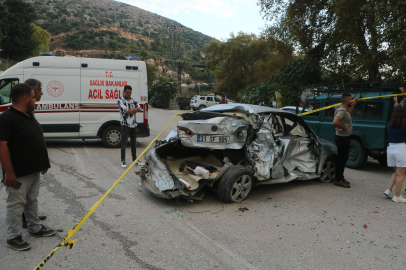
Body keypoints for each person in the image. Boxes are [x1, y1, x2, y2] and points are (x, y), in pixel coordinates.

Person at [0, 83, 56, 251]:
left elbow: (36, 137)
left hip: (33, 170)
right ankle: (14, 237)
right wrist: (9, 172)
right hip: (18, 173)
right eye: (33, 97)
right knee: (15, 204)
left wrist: (43, 162)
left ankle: (35, 228)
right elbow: (2, 146)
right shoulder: (6, 118)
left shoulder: (29, 115)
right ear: (25, 98)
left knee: (32, 200)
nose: (35, 100)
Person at [22, 79, 47, 228]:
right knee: (23, 192)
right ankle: (24, 218)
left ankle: (31, 216)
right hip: (24, 160)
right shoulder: (24, 111)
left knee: (30, 193)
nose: (41, 92)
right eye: (39, 89)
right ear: (31, 92)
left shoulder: (31, 109)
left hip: (32, 158)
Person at [332, 93, 359, 188]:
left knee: (344, 158)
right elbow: (335, 121)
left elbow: (348, 112)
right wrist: (343, 128)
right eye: (351, 100)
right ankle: (338, 180)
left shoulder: (345, 110)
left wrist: (354, 103)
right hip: (342, 138)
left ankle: (341, 177)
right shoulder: (341, 110)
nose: (351, 101)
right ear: (347, 100)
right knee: (341, 159)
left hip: (345, 137)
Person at [117, 85, 143, 168]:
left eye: (130, 92)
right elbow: (125, 111)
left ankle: (135, 160)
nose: (129, 94)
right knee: (123, 143)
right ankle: (123, 160)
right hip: (125, 125)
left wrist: (130, 111)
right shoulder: (120, 101)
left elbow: (139, 108)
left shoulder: (134, 100)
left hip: (133, 124)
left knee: (133, 143)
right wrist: (133, 111)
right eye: (127, 92)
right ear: (124, 92)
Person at [384, 106, 406, 202]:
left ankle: (389, 190)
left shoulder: (389, 124)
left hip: (390, 148)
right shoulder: (404, 125)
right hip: (401, 149)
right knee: (400, 174)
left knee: (396, 171)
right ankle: (397, 196)